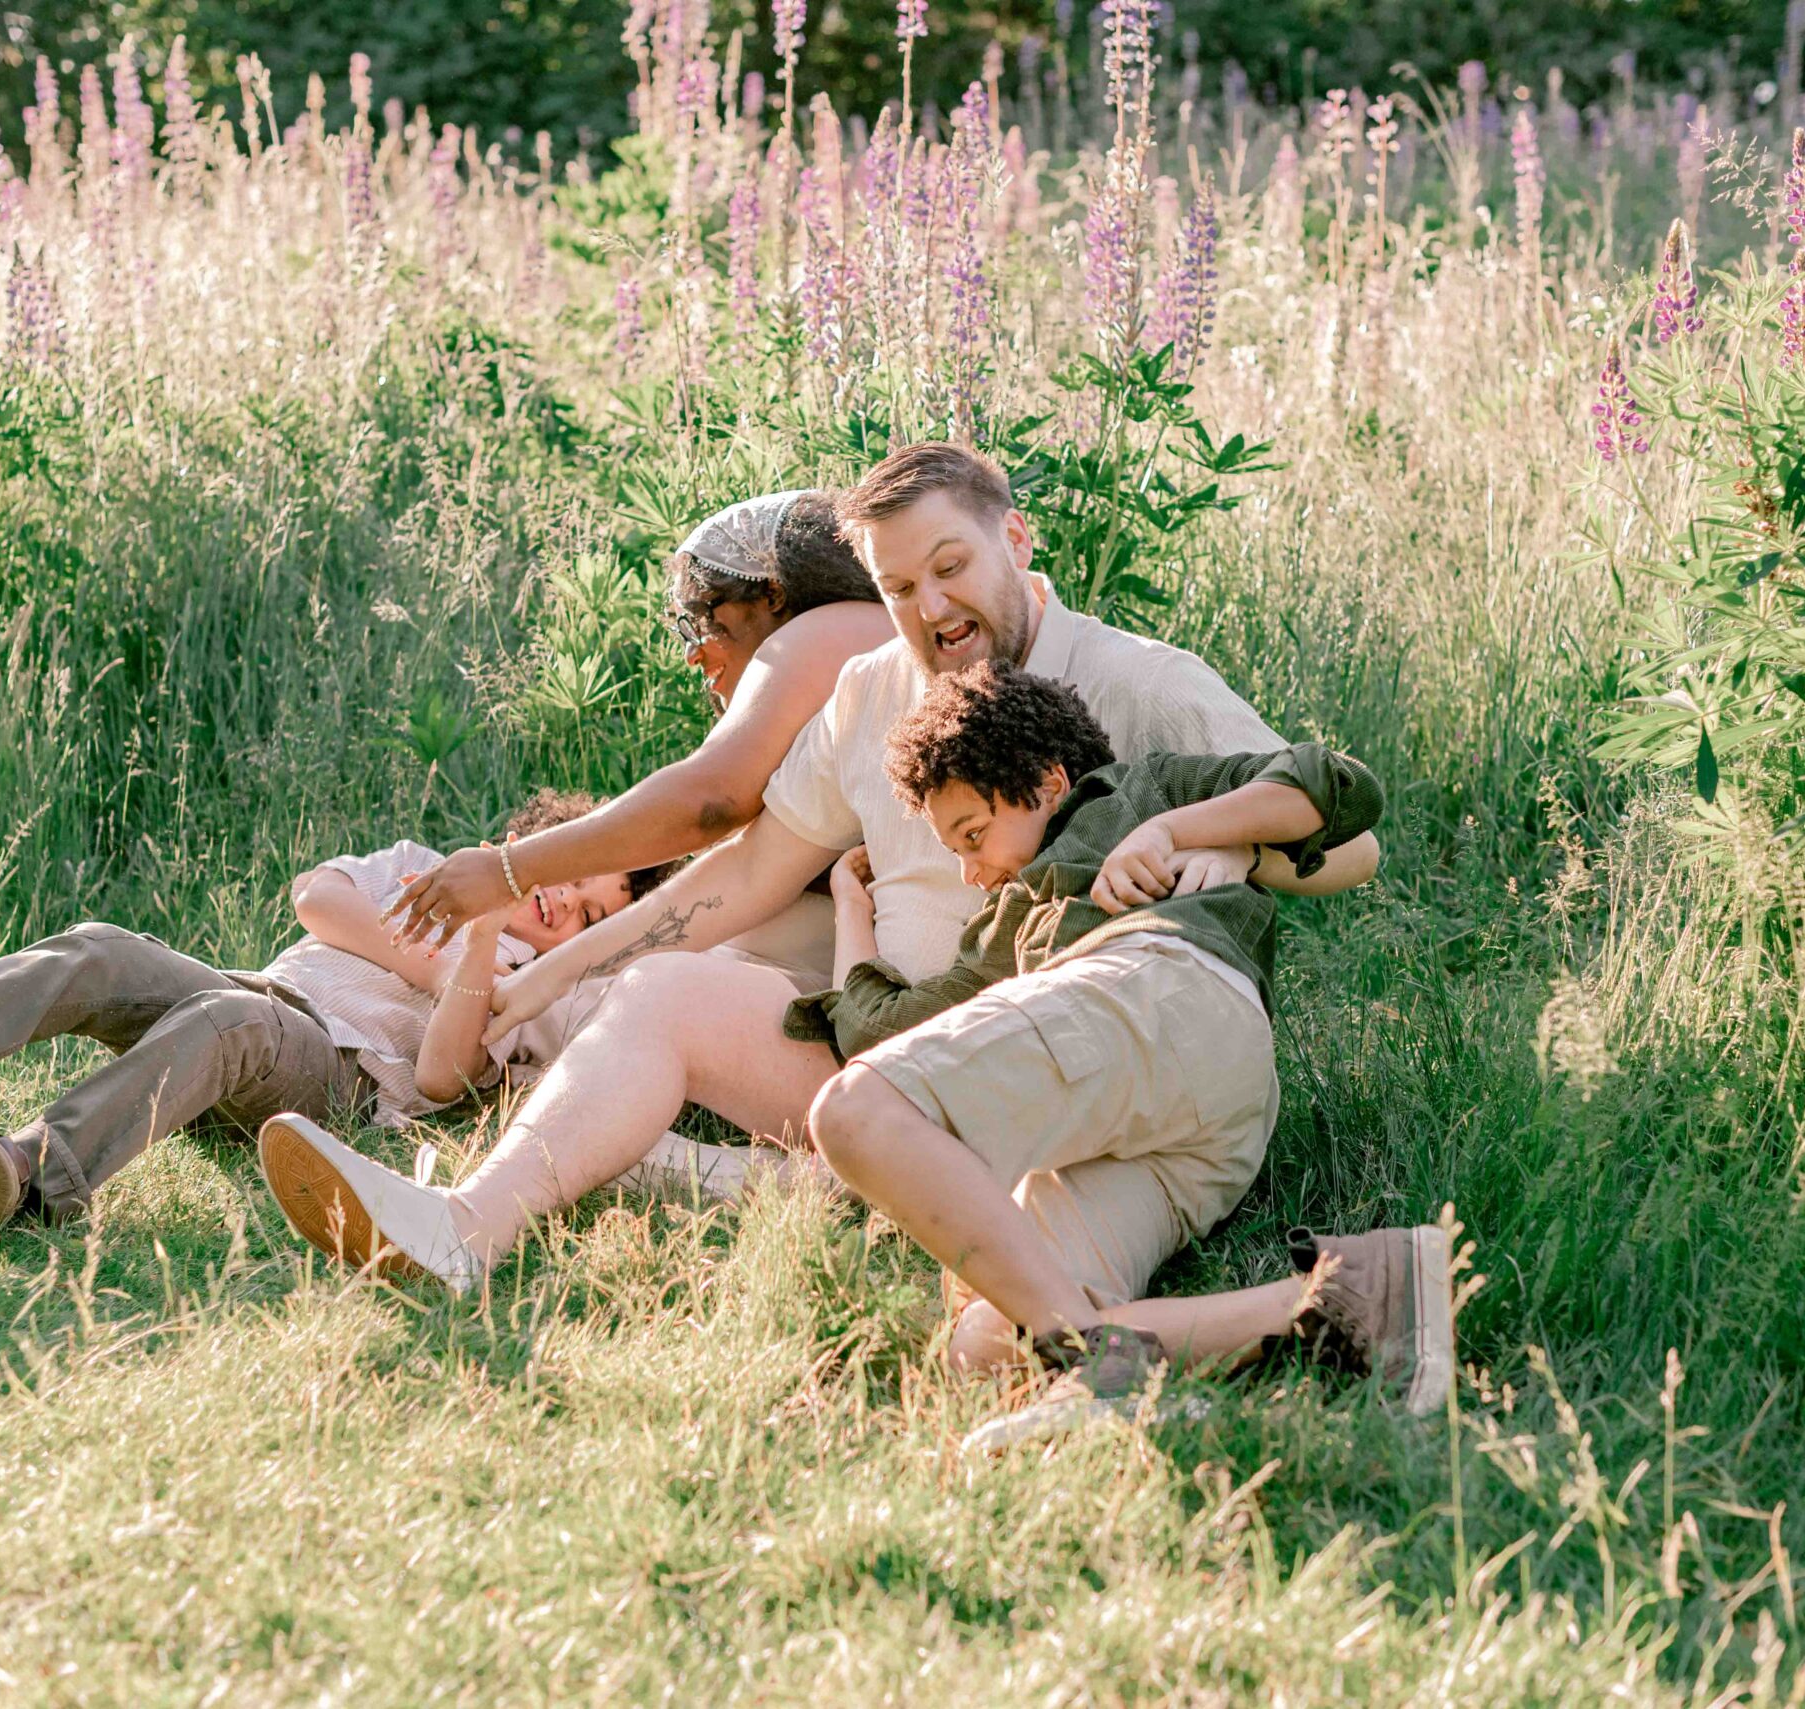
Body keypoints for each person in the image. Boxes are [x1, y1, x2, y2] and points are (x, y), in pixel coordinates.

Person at [259, 442, 1383, 1315]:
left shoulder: (1139, 683)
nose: (933, 608)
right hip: (886, 1039)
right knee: (664, 994)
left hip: (1062, 1050)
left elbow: (1349, 842)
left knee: (1000, 1308)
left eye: (951, 567)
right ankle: (462, 1227)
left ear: (1016, 542)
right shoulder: (873, 692)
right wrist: (562, 972)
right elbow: (744, 867)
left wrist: (1195, 832)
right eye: (899, 587)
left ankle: (810, 1189)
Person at [796, 662, 1451, 1449]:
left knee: (855, 1111)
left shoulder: (1135, 794)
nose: (972, 871)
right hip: (1204, 1121)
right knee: (984, 1343)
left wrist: (1178, 830)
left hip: (1165, 991)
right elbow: (876, 1030)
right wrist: (849, 911)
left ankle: (1097, 1371)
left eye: (974, 836)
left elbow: (1336, 786)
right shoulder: (1001, 929)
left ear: (1045, 782)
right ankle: (1367, 1294)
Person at [0, 790, 663, 1232]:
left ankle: (28, 1172)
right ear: (548, 841)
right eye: (573, 877)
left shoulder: (543, 984)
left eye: (589, 914)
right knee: (101, 948)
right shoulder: (437, 863)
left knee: (231, 1021)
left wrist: (468, 945)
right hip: (254, 990)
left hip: (327, 1078)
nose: (563, 905)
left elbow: (444, 1078)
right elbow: (319, 898)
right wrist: (433, 934)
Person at [388, 489, 893, 991]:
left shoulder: (823, 631)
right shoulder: (850, 658)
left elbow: (710, 801)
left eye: (702, 619)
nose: (693, 654)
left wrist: (509, 870)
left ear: (771, 595)